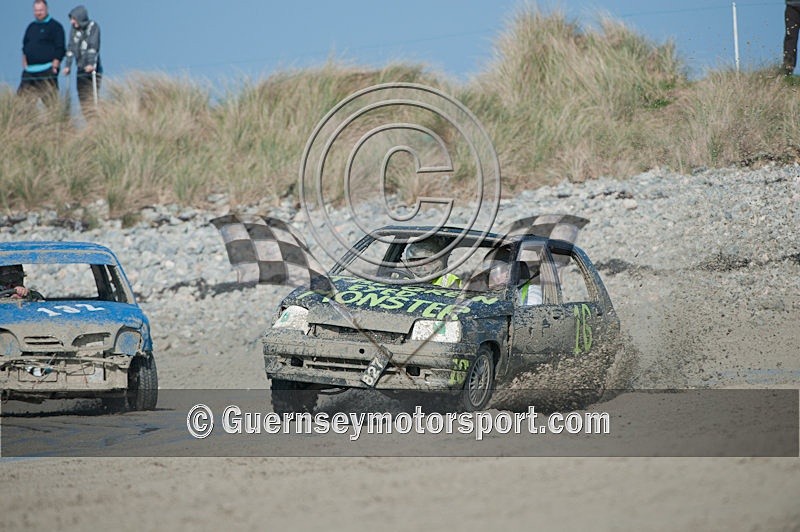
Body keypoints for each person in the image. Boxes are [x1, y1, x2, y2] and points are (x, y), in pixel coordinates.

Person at [18, 0, 65, 100]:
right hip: (29, 72)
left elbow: (60, 47)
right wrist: (24, 62)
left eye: (41, 10)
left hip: (47, 70)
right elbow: (25, 46)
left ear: (47, 9)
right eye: (36, 10)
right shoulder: (31, 27)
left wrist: (56, 62)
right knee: (21, 103)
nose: (38, 13)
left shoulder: (55, 26)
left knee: (50, 103)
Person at [63, 5, 102, 114]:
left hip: (93, 67)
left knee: (92, 95)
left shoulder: (93, 27)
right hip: (80, 68)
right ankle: (88, 121)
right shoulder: (74, 30)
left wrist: (90, 63)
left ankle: (97, 120)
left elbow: (93, 46)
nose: (72, 22)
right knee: (82, 96)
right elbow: (70, 47)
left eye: (74, 19)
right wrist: (67, 65)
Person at [785, 1, 800, 75]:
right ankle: (788, 69)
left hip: (792, 5)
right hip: (792, 6)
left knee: (790, 38)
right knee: (791, 37)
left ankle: (788, 68)